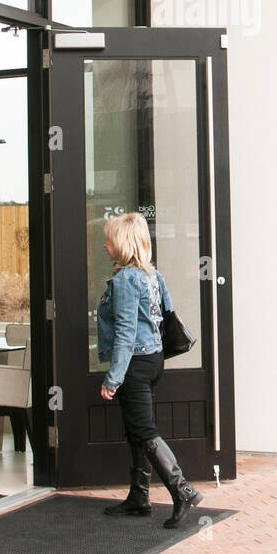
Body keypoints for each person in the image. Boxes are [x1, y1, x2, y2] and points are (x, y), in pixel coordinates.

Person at [97, 212, 203, 528]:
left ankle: (182, 490)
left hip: (136, 364)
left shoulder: (125, 281)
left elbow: (127, 332)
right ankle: (139, 497)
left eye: (109, 240)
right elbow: (166, 314)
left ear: (123, 245)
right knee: (136, 432)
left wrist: (113, 378)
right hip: (153, 359)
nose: (105, 245)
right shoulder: (152, 276)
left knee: (144, 431)